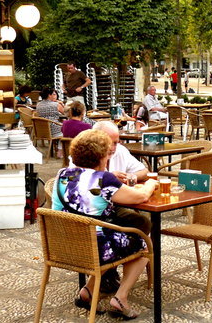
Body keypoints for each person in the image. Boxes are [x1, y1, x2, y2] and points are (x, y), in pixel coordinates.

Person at [52, 130, 156, 319]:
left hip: (61, 246)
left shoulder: (62, 174)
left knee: (106, 237)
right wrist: (151, 183)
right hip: (92, 250)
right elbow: (140, 196)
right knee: (145, 242)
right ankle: (120, 298)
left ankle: (87, 292)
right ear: (102, 155)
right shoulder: (102, 179)